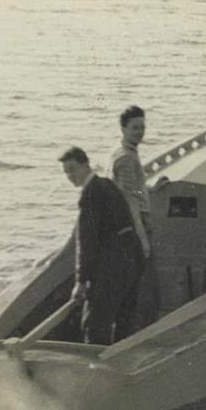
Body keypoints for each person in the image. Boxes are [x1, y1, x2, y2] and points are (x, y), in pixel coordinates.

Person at [58, 146, 145, 345]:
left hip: (112, 268)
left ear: (86, 165)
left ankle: (94, 370)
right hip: (131, 262)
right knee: (125, 322)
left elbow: (87, 242)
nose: (69, 176)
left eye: (72, 169)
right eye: (66, 172)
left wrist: (81, 281)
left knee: (95, 323)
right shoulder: (107, 185)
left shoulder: (90, 195)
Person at [109, 105, 151, 258]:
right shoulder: (126, 158)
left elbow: (133, 189)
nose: (140, 132)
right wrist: (143, 240)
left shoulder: (122, 150)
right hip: (132, 226)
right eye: (135, 128)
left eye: (142, 127)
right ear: (123, 129)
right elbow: (129, 200)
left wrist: (149, 189)